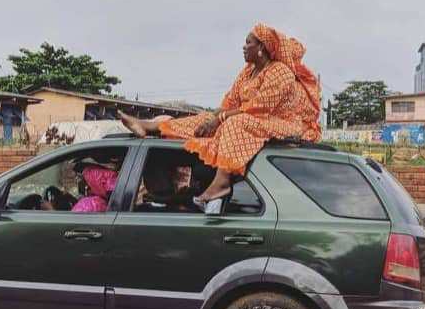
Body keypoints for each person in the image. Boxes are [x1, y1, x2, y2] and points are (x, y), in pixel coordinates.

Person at [118, 23, 321, 211]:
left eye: (248, 43)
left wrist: (221, 118)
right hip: (254, 119)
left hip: (283, 123)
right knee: (205, 117)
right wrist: (211, 119)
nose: (243, 47)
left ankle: (222, 183)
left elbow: (260, 107)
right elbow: (229, 103)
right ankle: (148, 126)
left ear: (261, 47)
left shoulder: (280, 72)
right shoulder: (248, 71)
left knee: (235, 122)